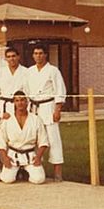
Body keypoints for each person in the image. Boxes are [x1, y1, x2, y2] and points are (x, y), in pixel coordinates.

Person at [25, 43, 67, 182]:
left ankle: (57, 172)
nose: (38, 56)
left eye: (41, 53)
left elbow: (60, 90)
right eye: (36, 53)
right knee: (33, 138)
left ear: (46, 55)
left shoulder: (53, 70)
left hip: (48, 107)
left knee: (53, 139)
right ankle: (34, 168)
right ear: (33, 55)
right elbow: (26, 91)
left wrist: (57, 110)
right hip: (33, 108)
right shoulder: (29, 71)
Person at [0, 92, 49, 185]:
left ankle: (25, 172)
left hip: (30, 156)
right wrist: (5, 158)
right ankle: (18, 172)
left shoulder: (36, 119)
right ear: (14, 103)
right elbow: (1, 143)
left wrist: (38, 157)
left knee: (39, 179)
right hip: (13, 156)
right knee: (7, 179)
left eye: (22, 100)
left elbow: (43, 142)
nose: (20, 103)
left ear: (27, 102)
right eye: (17, 100)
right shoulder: (8, 120)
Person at [0, 47, 28, 120]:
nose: (11, 59)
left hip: (19, 107)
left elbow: (28, 93)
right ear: (6, 59)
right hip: (3, 106)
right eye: (9, 57)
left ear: (18, 57)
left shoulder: (26, 71)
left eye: (13, 56)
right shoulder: (1, 71)